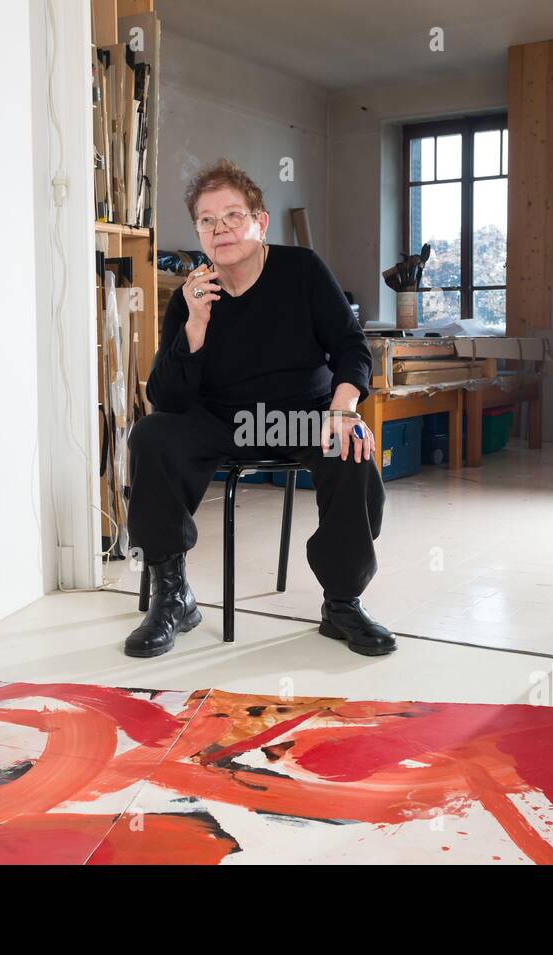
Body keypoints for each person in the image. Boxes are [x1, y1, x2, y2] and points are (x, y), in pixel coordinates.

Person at [124, 158, 393, 659]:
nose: (220, 228)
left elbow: (352, 347)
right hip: (219, 419)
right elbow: (167, 397)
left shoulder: (302, 270)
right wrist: (195, 328)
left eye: (232, 215)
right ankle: (174, 594)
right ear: (198, 232)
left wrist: (343, 408)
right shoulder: (192, 296)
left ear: (260, 221)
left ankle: (342, 602)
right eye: (207, 220)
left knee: (349, 452)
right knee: (152, 435)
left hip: (298, 415)